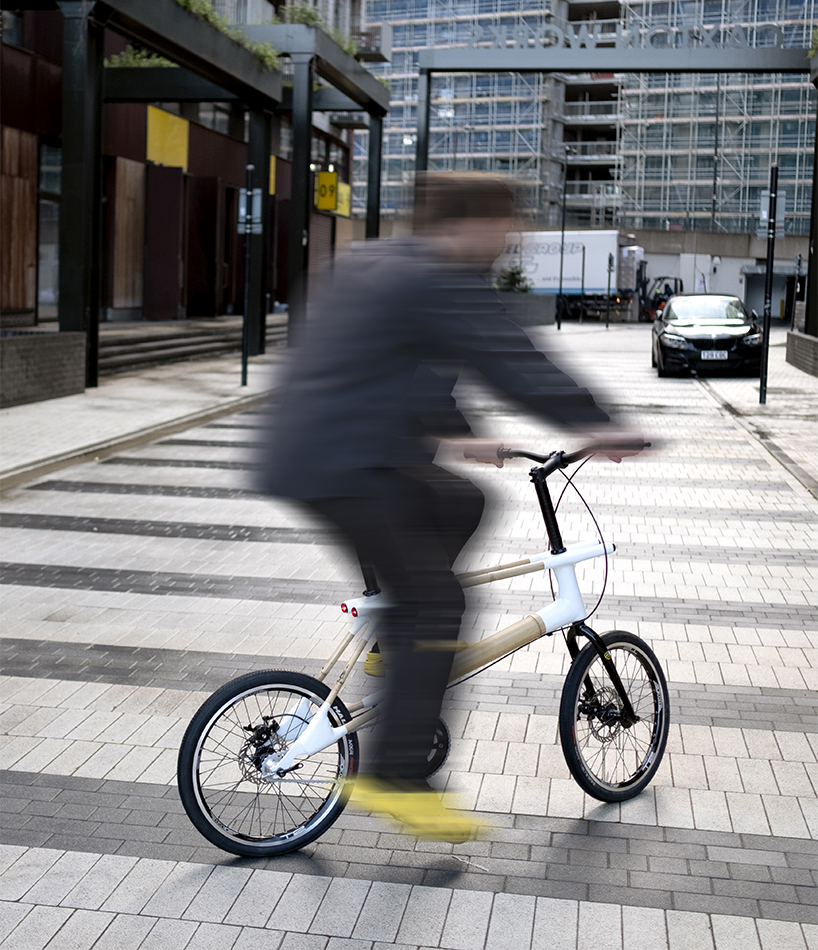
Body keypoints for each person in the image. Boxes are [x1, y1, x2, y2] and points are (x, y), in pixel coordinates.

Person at [261, 173, 640, 842]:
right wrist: (598, 422)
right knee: (441, 603)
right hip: (348, 464)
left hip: (314, 454)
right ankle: (395, 776)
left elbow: (406, 370)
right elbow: (512, 358)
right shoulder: (439, 276)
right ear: (468, 224)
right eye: (505, 226)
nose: (511, 239)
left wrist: (462, 437)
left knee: (461, 498)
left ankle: (392, 635)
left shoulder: (380, 262)